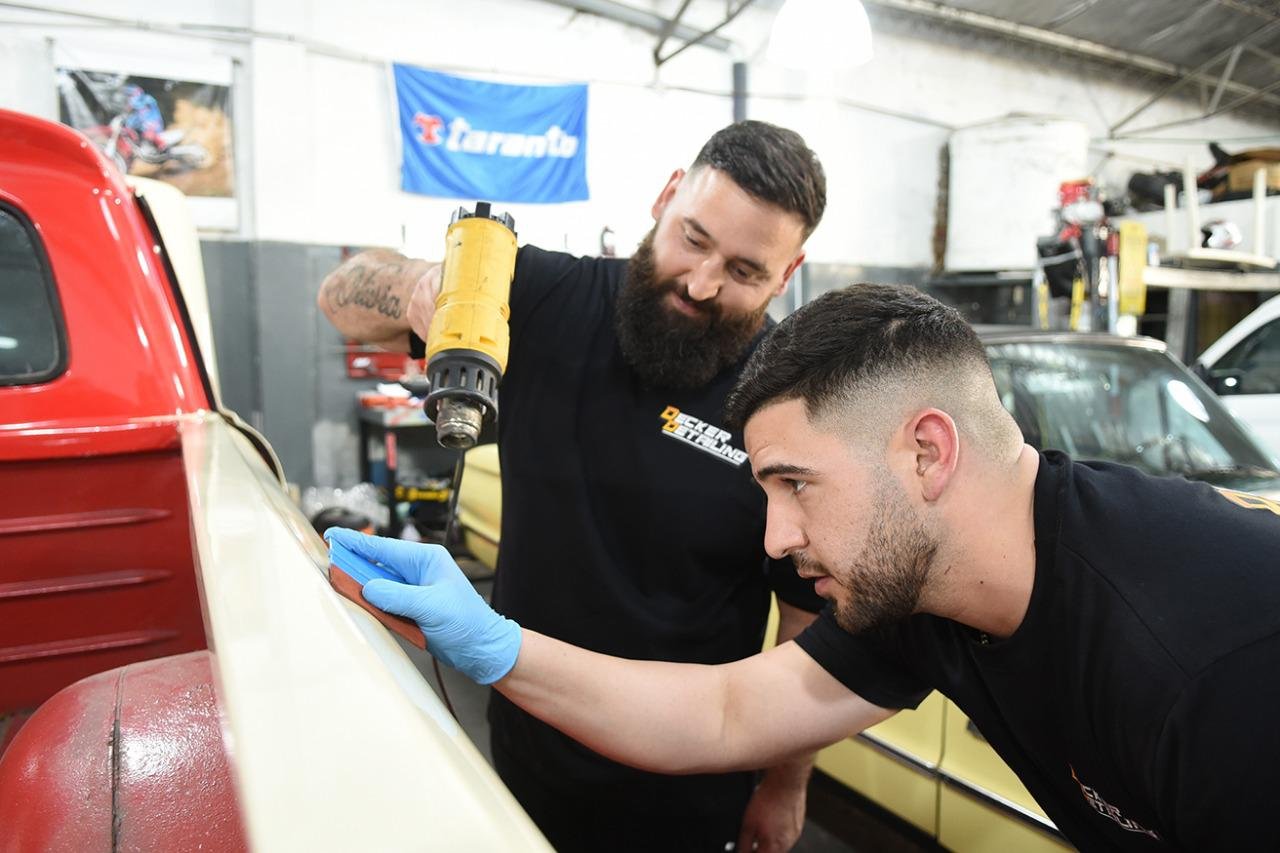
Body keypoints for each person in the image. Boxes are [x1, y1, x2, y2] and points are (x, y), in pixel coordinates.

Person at [326, 283, 1280, 852]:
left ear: (926, 453)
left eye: (794, 484)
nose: (774, 537)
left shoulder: (1216, 668)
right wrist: (493, 645)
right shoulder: (926, 591)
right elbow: (726, 713)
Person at [318, 121, 828, 853]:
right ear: (666, 196)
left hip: (689, 779)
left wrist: (787, 781)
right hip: (527, 746)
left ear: (788, 272)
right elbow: (340, 297)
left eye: (746, 271)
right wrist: (418, 287)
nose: (702, 282)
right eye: (693, 238)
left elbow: (802, 619)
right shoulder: (546, 296)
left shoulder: (791, 401)